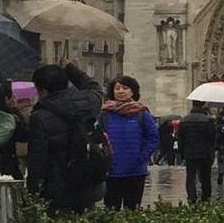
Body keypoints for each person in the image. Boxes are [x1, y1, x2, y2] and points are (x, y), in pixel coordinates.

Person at [26, 63, 106, 213]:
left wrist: (33, 193)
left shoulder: (39, 117)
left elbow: (37, 159)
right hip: (88, 180)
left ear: (41, 90)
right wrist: (70, 68)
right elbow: (94, 86)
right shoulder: (88, 102)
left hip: (57, 186)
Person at [100, 76, 159, 210]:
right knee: (110, 211)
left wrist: (141, 157)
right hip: (112, 171)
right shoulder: (105, 114)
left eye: (125, 88)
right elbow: (99, 137)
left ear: (133, 92)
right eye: (117, 88)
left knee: (132, 211)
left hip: (135, 171)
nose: (120, 91)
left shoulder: (142, 114)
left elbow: (153, 138)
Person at [176, 100, 217, 204]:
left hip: (189, 152)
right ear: (203, 105)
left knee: (190, 176)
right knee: (205, 176)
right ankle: (205, 197)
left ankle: (192, 197)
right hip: (205, 153)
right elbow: (212, 138)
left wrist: (182, 153)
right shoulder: (208, 120)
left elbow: (180, 138)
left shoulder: (184, 120)